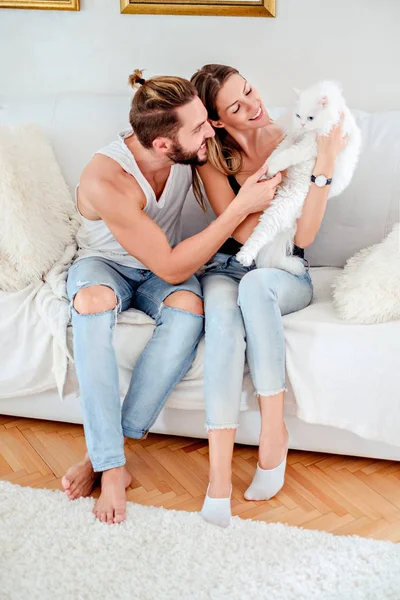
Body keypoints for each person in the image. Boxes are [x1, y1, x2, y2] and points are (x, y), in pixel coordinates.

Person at [61, 69, 281, 525]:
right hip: (107, 265)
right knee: (93, 303)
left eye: (206, 121)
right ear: (164, 145)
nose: (209, 133)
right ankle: (113, 466)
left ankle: (102, 454)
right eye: (200, 127)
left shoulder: (191, 149)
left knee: (188, 311)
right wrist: (242, 207)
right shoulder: (108, 179)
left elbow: (183, 267)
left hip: (160, 271)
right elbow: (173, 266)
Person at [190, 64, 346, 527]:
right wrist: (256, 201)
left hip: (283, 270)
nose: (253, 105)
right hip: (227, 266)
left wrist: (323, 166)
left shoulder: (293, 137)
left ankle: (272, 436)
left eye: (250, 91)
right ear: (217, 121)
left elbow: (305, 234)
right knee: (220, 316)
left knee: (257, 285)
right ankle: (218, 478)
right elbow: (236, 229)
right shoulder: (215, 158)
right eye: (236, 106)